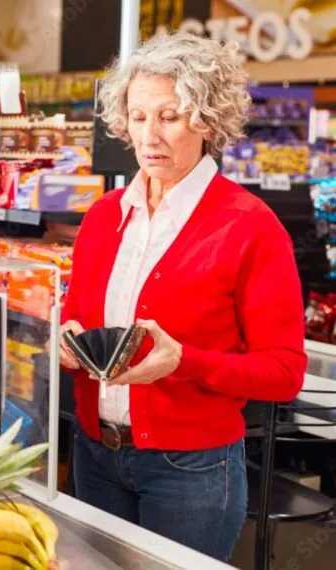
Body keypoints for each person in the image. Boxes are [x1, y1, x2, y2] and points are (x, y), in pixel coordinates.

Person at [59, 32, 306, 562]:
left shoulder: (250, 227)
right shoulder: (104, 217)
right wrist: (67, 340)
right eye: (139, 116)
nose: (149, 135)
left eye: (170, 116)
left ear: (209, 120)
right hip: (95, 454)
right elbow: (77, 317)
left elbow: (284, 371)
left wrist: (183, 363)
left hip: (191, 470)